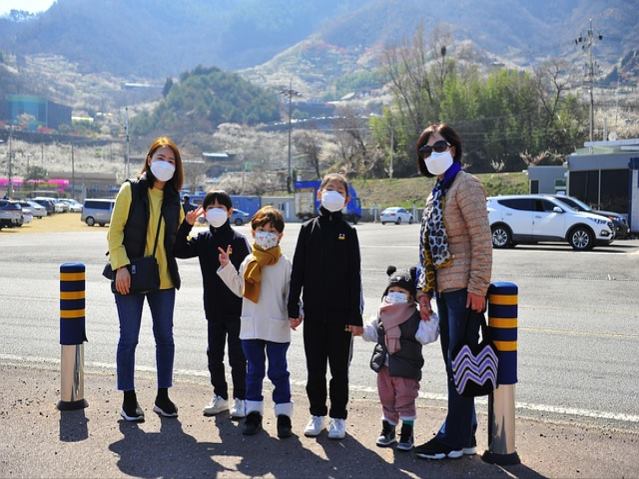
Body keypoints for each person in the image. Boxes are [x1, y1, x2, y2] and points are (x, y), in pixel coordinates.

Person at [411, 123, 493, 460]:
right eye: (427, 150)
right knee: (456, 363)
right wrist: (425, 291)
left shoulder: (465, 185)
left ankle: (453, 438)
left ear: (454, 149)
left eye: (439, 146)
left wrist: (478, 287)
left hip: (463, 290)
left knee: (457, 364)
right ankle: (465, 432)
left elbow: (482, 241)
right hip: (445, 289)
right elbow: (429, 246)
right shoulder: (438, 190)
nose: (433, 154)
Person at [107, 136, 185, 422]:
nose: (165, 163)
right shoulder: (131, 190)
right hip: (131, 275)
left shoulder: (174, 199)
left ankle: (162, 396)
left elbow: (179, 241)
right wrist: (121, 267)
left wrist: (194, 228)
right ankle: (129, 398)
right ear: (149, 160)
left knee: (165, 338)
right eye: (160, 158)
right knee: (129, 338)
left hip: (164, 281)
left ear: (177, 167)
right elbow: (114, 233)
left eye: (171, 160)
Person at [288, 172, 363, 440]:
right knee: (315, 368)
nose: (333, 193)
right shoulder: (308, 229)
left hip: (341, 314)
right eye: (328, 188)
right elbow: (297, 271)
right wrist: (292, 307)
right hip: (314, 313)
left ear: (346, 199)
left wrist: (355, 315)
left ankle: (338, 417)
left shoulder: (349, 232)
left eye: (339, 190)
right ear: (319, 194)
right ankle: (317, 414)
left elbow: (354, 276)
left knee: (339, 369)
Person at [217, 206, 295, 438]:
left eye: (272, 231)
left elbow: (291, 295)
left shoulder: (284, 263)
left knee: (279, 372)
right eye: (261, 229)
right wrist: (226, 266)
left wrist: (296, 313)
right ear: (253, 232)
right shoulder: (249, 261)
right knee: (254, 371)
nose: (266, 234)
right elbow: (241, 289)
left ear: (280, 235)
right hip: (251, 327)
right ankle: (253, 413)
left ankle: (283, 415)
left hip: (277, 326)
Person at [173, 190, 250, 419]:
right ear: (204, 212)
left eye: (221, 206)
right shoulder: (203, 239)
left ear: (230, 211)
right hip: (213, 309)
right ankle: (220, 396)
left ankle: (241, 399)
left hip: (237, 310)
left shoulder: (238, 240)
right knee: (214, 354)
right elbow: (178, 250)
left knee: (237, 356)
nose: (216, 210)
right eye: (211, 206)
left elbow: (247, 278)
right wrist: (187, 225)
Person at [362, 266, 439, 451]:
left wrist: (429, 315)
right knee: (386, 397)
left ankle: (407, 432)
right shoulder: (383, 312)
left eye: (401, 292)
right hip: (385, 365)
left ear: (411, 296)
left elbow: (427, 335)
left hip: (406, 367)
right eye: (392, 291)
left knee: (405, 398)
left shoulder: (415, 315)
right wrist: (360, 330)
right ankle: (388, 428)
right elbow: (372, 331)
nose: (395, 294)